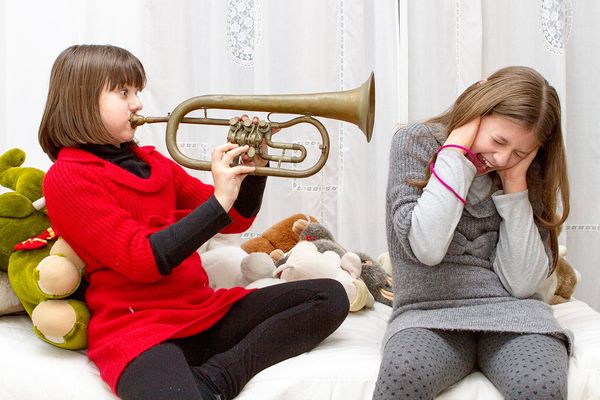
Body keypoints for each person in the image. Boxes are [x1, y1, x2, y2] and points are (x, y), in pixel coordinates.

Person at [38, 44, 349, 400]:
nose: (138, 103)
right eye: (124, 92)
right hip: (138, 329)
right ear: (82, 101)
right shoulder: (67, 178)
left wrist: (252, 170)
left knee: (329, 296)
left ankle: (217, 380)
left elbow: (234, 220)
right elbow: (142, 260)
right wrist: (220, 199)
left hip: (202, 312)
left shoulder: (154, 162)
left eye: (137, 91)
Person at [374, 66, 571, 400]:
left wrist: (515, 186)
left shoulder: (523, 171)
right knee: (403, 374)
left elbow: (522, 284)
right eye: (498, 141)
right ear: (478, 108)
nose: (502, 158)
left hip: (516, 317)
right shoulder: (415, 143)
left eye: (520, 153)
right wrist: (454, 153)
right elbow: (427, 247)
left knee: (541, 387)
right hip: (428, 315)